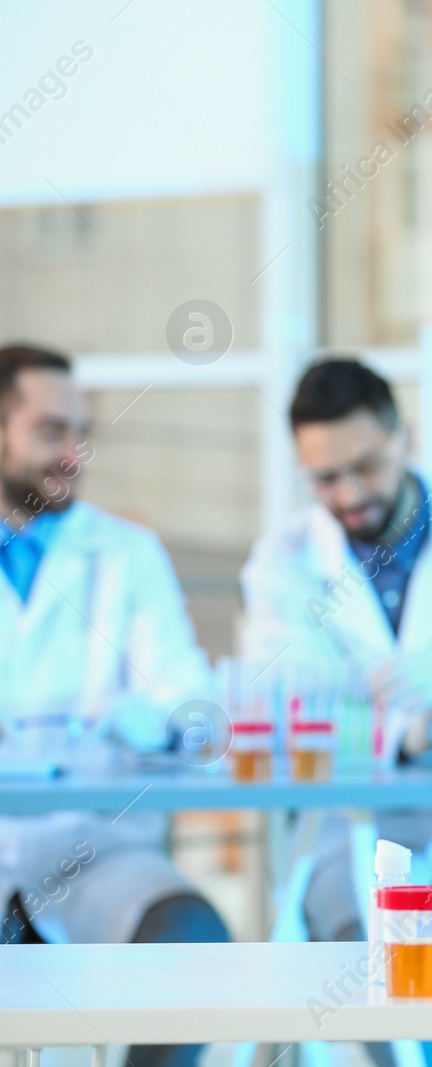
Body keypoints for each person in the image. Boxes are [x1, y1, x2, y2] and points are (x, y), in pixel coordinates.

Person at [240, 357, 432, 1067]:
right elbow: (290, 694)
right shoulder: (282, 563)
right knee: (375, 981)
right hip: (350, 834)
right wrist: (400, 714)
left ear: (404, 436)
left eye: (364, 467)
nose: (347, 493)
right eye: (324, 478)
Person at [0, 344, 228, 1067]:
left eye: (81, 430)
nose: (73, 451)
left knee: (194, 942)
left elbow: (189, 691)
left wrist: (167, 717)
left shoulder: (127, 553)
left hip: (97, 845)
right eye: (50, 431)